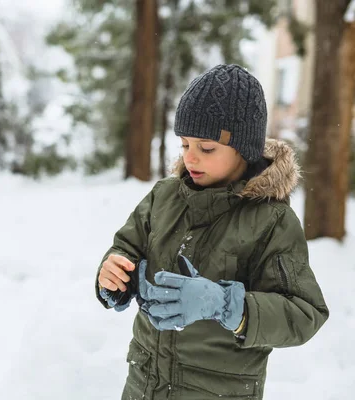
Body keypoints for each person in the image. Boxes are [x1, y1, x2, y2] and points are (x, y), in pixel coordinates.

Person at [95, 64, 329, 400]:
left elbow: (304, 313)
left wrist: (226, 305)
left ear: (244, 149)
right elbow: (126, 248)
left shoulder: (271, 221)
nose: (191, 158)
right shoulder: (164, 196)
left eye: (206, 148)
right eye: (184, 145)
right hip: (145, 385)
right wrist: (114, 274)